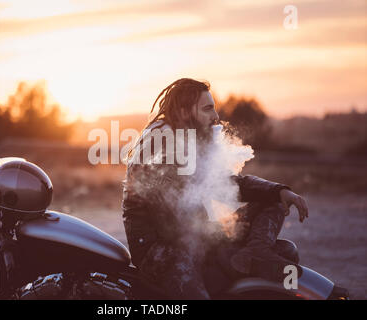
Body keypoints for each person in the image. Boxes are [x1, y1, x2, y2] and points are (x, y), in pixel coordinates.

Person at [122, 78, 309, 299]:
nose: (216, 117)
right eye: (208, 109)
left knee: (277, 216)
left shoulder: (188, 139)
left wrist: (278, 190)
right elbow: (175, 224)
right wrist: (224, 246)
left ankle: (256, 253)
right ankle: (244, 259)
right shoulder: (160, 146)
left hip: (195, 235)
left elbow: (225, 182)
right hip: (164, 250)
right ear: (184, 111)